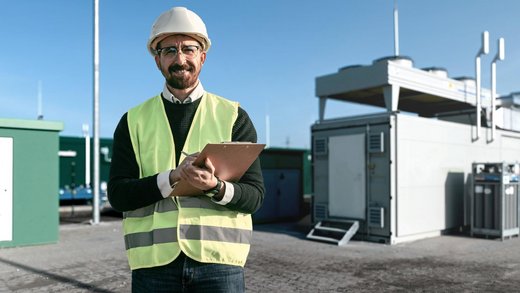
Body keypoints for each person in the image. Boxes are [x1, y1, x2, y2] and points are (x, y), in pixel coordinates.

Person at [107, 6, 265, 293]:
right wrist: (171, 178)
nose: (180, 59)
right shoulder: (133, 120)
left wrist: (216, 187)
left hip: (219, 265)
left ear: (202, 56)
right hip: (154, 266)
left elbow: (254, 196)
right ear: (157, 60)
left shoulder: (233, 116)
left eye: (188, 49)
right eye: (169, 51)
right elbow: (118, 195)